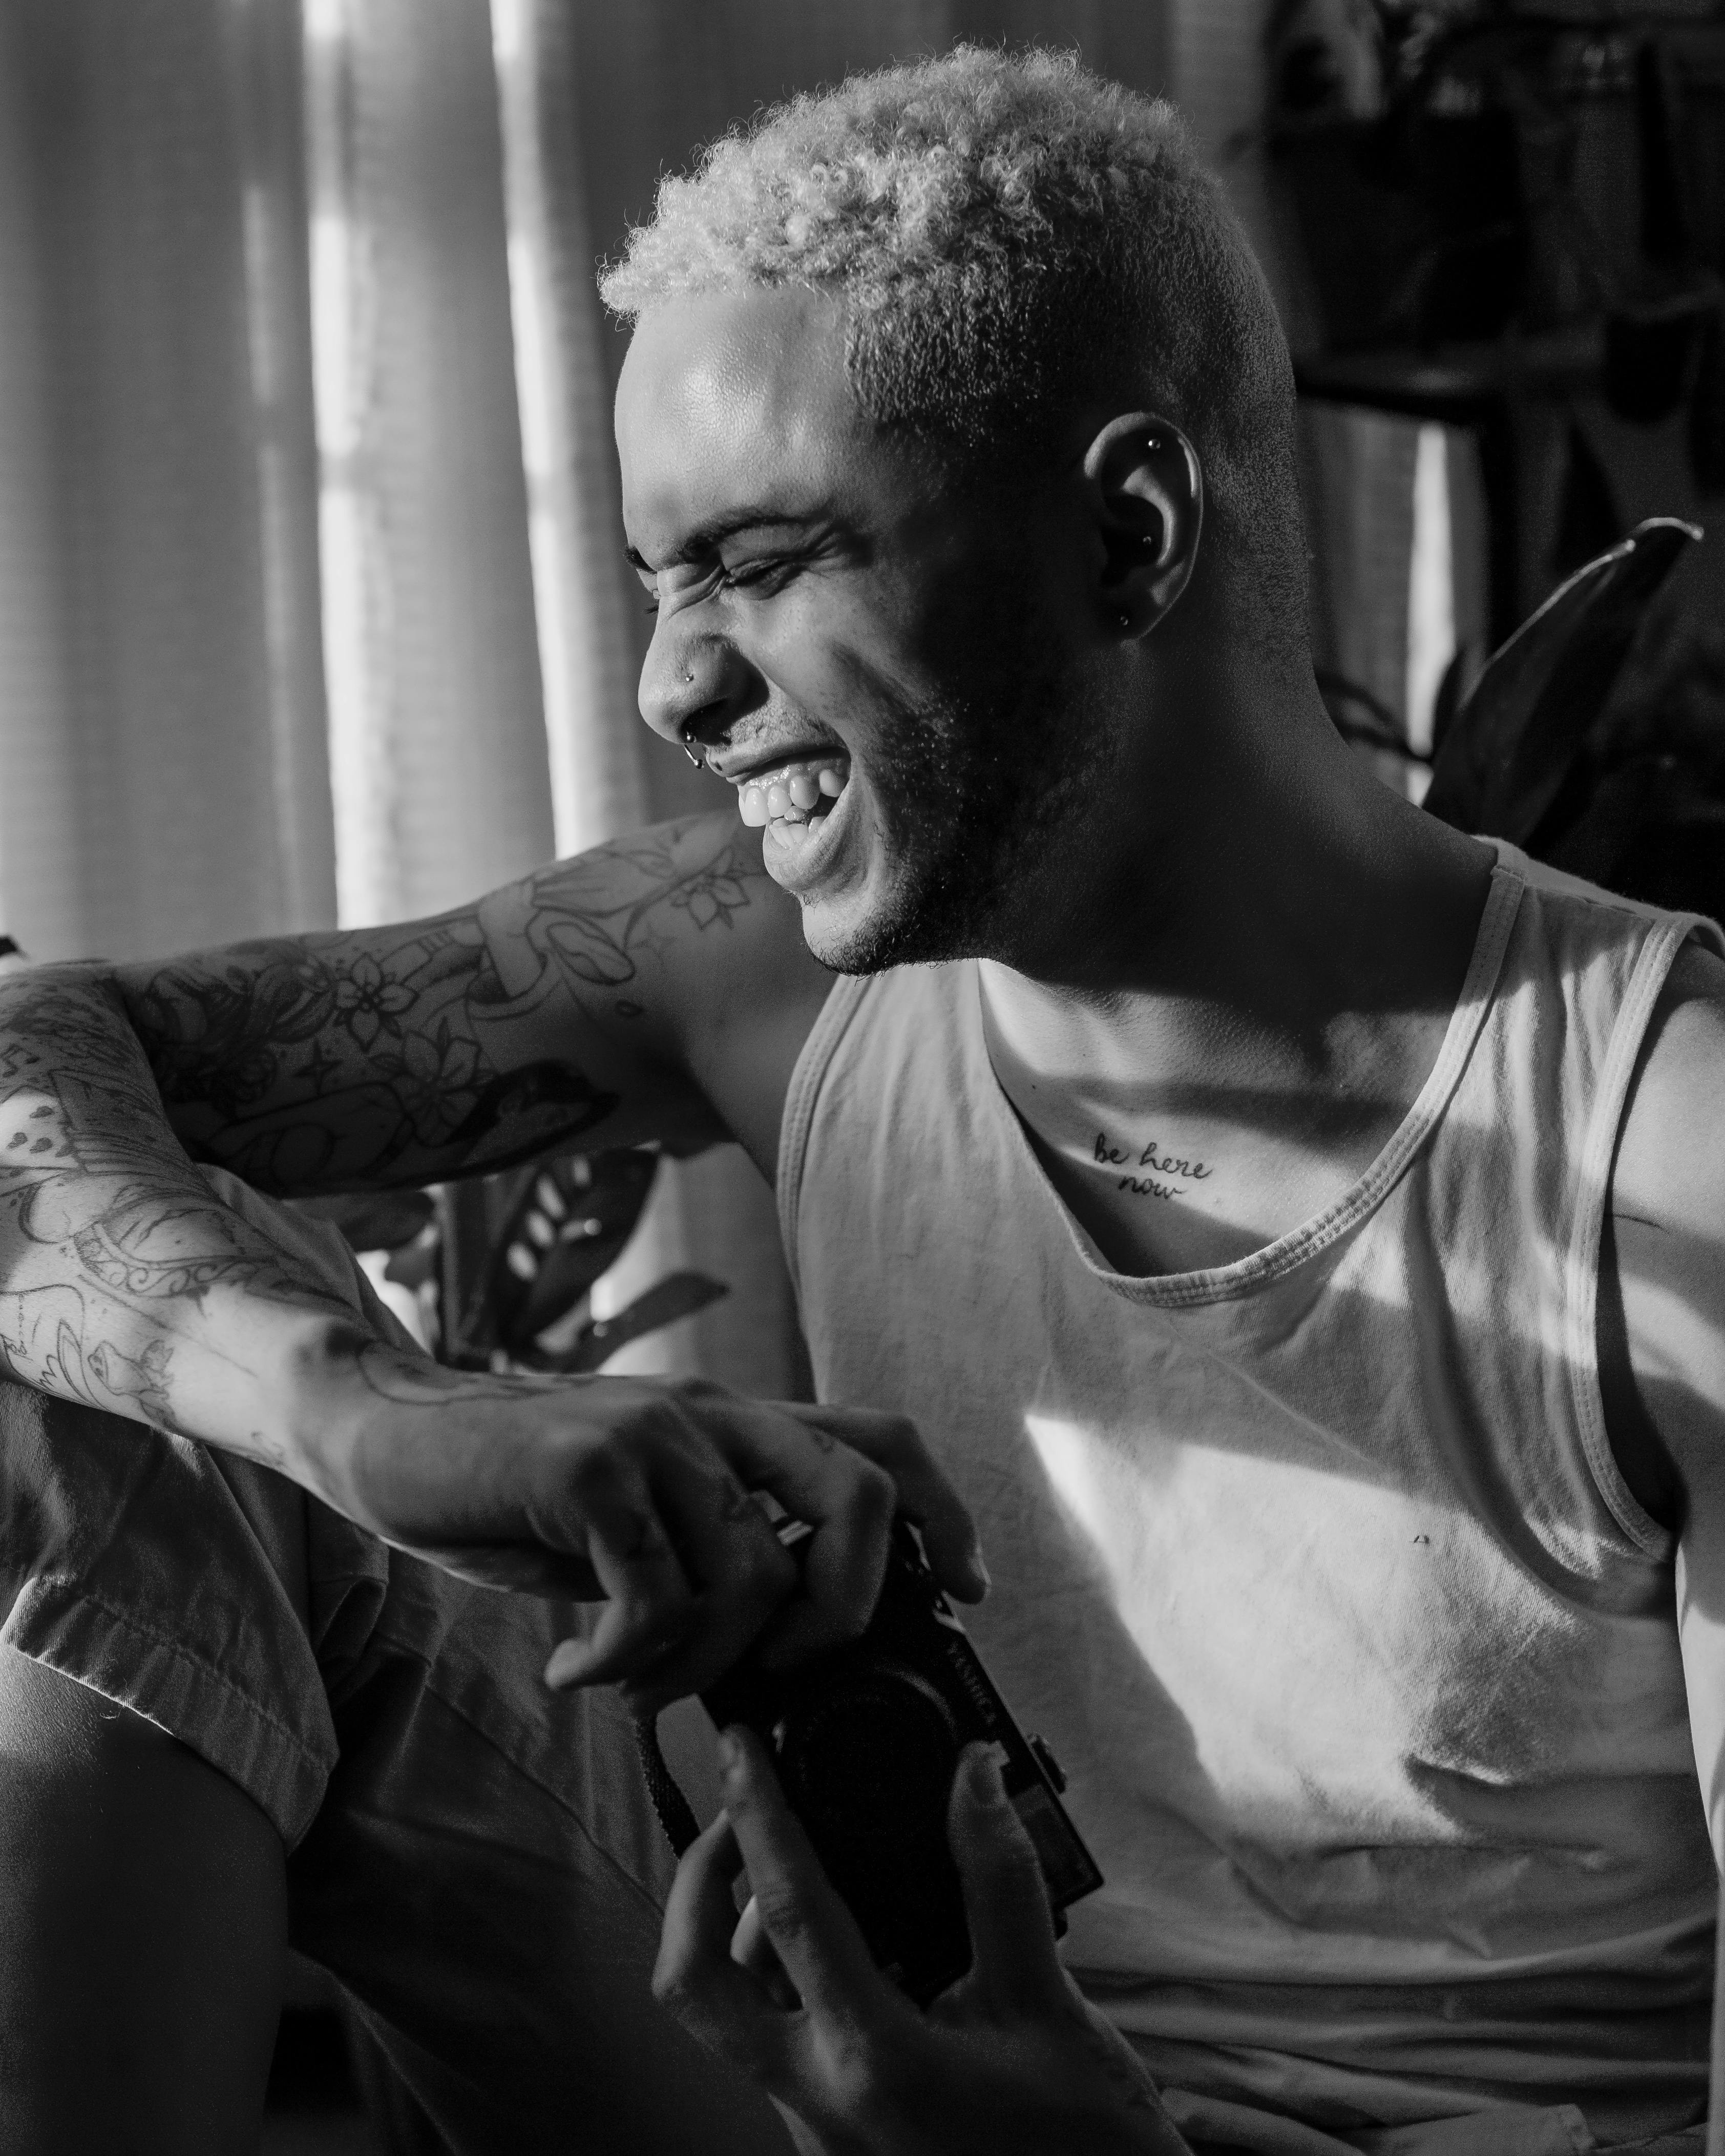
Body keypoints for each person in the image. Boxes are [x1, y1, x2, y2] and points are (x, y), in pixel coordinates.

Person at [1, 41, 1721, 2156]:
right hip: (832, 2086)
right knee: (101, 1403)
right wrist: (376, 1416)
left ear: (1127, 532)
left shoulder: (1667, 1140)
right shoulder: (747, 969)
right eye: (655, 582)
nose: (673, 683)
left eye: (759, 560)